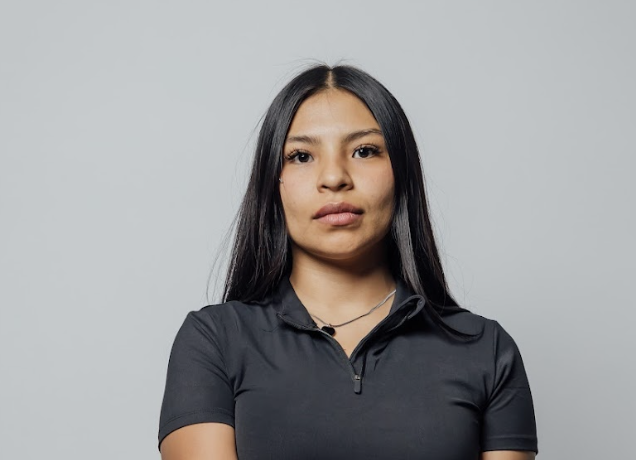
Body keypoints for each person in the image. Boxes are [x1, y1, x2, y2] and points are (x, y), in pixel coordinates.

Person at [157, 64, 539, 460]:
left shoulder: (486, 348)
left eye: (364, 151)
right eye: (301, 156)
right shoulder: (214, 341)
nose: (334, 177)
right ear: (272, 183)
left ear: (402, 172)